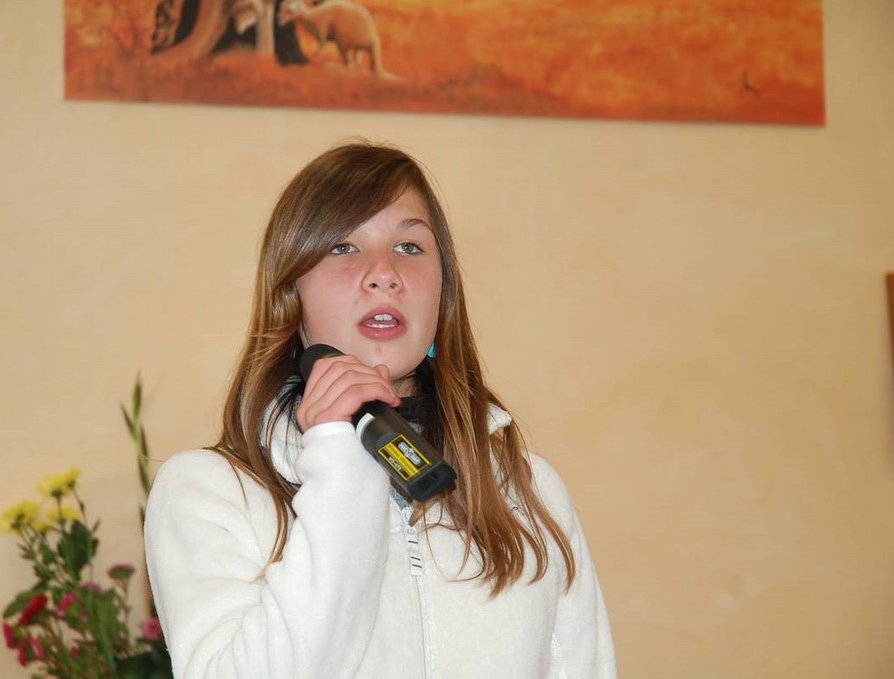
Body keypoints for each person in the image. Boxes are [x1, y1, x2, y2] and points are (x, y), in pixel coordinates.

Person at [144, 141, 617, 678]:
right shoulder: (209, 493)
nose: (384, 273)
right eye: (343, 247)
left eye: (409, 247)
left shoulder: (529, 492)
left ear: (442, 294)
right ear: (291, 296)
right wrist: (338, 459)